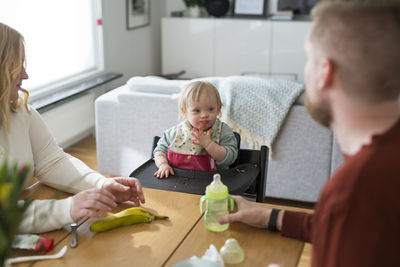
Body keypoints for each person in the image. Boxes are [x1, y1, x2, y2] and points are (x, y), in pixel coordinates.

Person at [219, 1, 400, 266]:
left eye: (309, 59)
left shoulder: (355, 192)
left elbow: (346, 219)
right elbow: (343, 228)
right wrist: (270, 216)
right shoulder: (377, 178)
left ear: (325, 72)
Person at [0, 22, 145, 234]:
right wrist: (65, 209)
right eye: (17, 65)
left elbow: (52, 161)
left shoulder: (20, 112)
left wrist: (101, 185)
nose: (25, 75)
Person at [153, 81, 238, 178]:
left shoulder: (223, 131)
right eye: (197, 110)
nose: (204, 115)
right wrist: (163, 164)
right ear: (184, 111)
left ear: (218, 109)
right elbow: (159, 151)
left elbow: (230, 158)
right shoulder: (175, 133)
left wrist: (209, 144)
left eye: (210, 109)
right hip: (178, 180)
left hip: (213, 184)